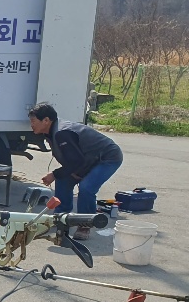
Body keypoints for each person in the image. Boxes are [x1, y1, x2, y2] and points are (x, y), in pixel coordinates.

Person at [28, 102, 123, 240]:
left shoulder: (62, 133)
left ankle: (85, 224)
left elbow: (76, 161)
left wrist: (54, 174)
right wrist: (69, 172)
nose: (31, 125)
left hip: (107, 158)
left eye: (33, 121)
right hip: (87, 160)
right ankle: (61, 218)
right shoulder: (50, 132)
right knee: (63, 179)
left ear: (46, 120)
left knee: (86, 187)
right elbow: (74, 160)